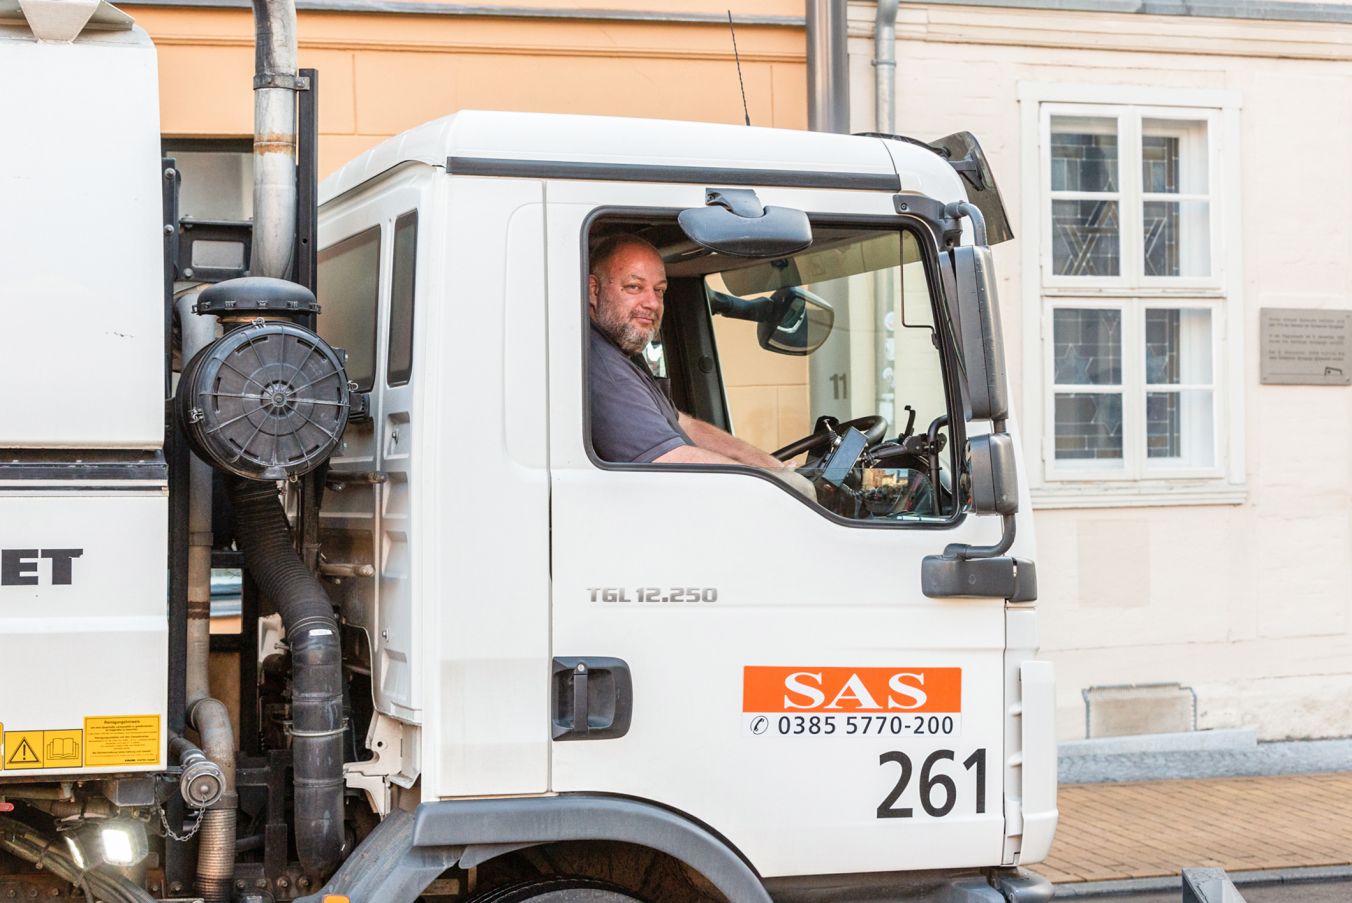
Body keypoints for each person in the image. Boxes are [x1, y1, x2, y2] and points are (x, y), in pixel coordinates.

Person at [587, 234, 815, 497]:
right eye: (634, 287)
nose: (652, 303)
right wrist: (778, 487)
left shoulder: (621, 350)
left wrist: (772, 467)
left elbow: (685, 425)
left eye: (659, 291)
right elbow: (671, 459)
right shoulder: (600, 365)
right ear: (594, 290)